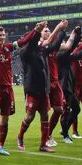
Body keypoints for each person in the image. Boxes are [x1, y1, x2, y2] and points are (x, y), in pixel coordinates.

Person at [0, 21, 38, 156]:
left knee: (5, 118)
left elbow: (23, 41)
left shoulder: (8, 47)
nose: (2, 37)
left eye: (3, 35)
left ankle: (1, 147)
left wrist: (36, 30)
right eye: (0, 35)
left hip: (8, 88)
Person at [16, 20, 56, 152]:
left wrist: (59, 30)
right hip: (32, 89)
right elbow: (32, 43)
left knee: (45, 116)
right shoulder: (24, 52)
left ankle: (43, 145)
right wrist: (37, 31)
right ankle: (20, 137)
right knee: (30, 116)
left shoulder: (40, 51)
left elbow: (50, 43)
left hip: (43, 89)